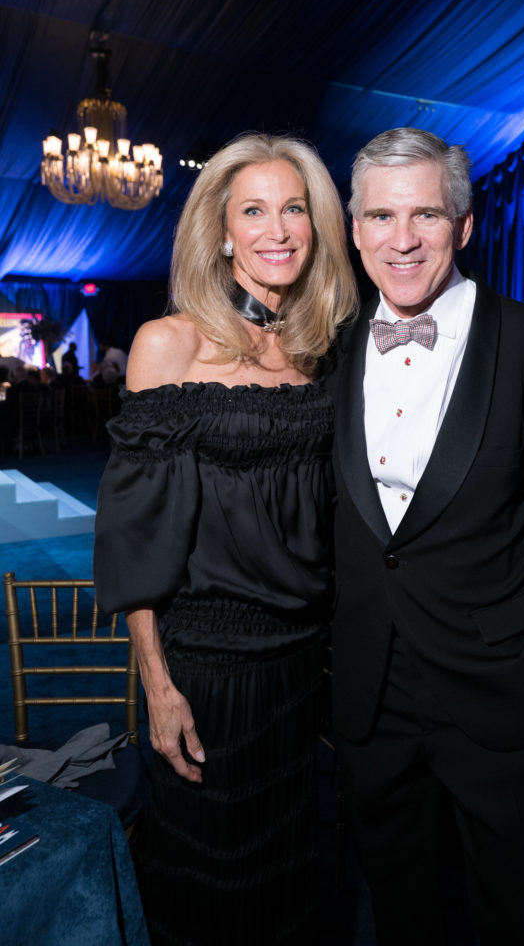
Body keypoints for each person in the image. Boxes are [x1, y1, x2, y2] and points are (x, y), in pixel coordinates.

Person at [329, 128, 524, 946]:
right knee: (400, 916)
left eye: (425, 214)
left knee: (522, 920)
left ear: (464, 224)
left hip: (506, 701)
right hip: (373, 702)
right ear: (353, 231)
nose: (402, 238)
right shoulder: (331, 351)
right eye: (381, 216)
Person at [93, 132, 357, 946]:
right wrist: (158, 687)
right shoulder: (169, 344)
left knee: (287, 870)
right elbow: (134, 537)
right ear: (221, 231)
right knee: (208, 884)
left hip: (296, 664)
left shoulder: (320, 350)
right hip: (206, 668)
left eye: (294, 209)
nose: (277, 229)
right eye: (254, 210)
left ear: (317, 229)